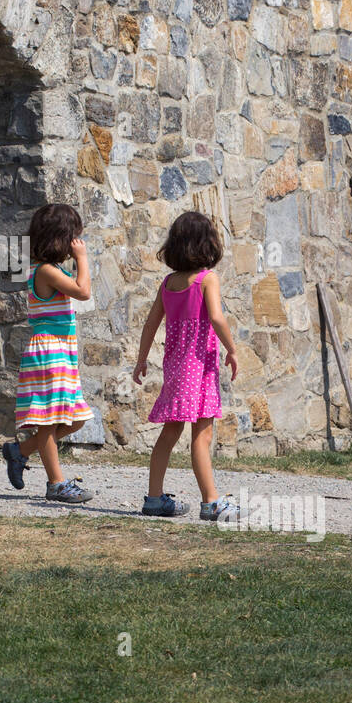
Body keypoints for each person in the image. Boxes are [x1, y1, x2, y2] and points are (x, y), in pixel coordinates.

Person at [132, 211, 240, 520]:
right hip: (199, 367)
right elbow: (217, 318)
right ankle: (211, 503)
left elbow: (151, 322)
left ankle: (154, 498)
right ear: (208, 244)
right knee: (202, 436)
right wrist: (232, 350)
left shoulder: (168, 283)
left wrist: (141, 360)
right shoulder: (208, 279)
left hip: (176, 367)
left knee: (170, 433)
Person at [1, 204, 95, 504]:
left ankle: (21, 451)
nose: (75, 244)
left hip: (61, 350)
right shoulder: (45, 270)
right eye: (72, 238)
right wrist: (83, 259)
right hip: (48, 350)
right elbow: (83, 292)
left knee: (76, 418)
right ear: (61, 238)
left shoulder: (55, 270)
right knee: (47, 420)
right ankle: (56, 483)